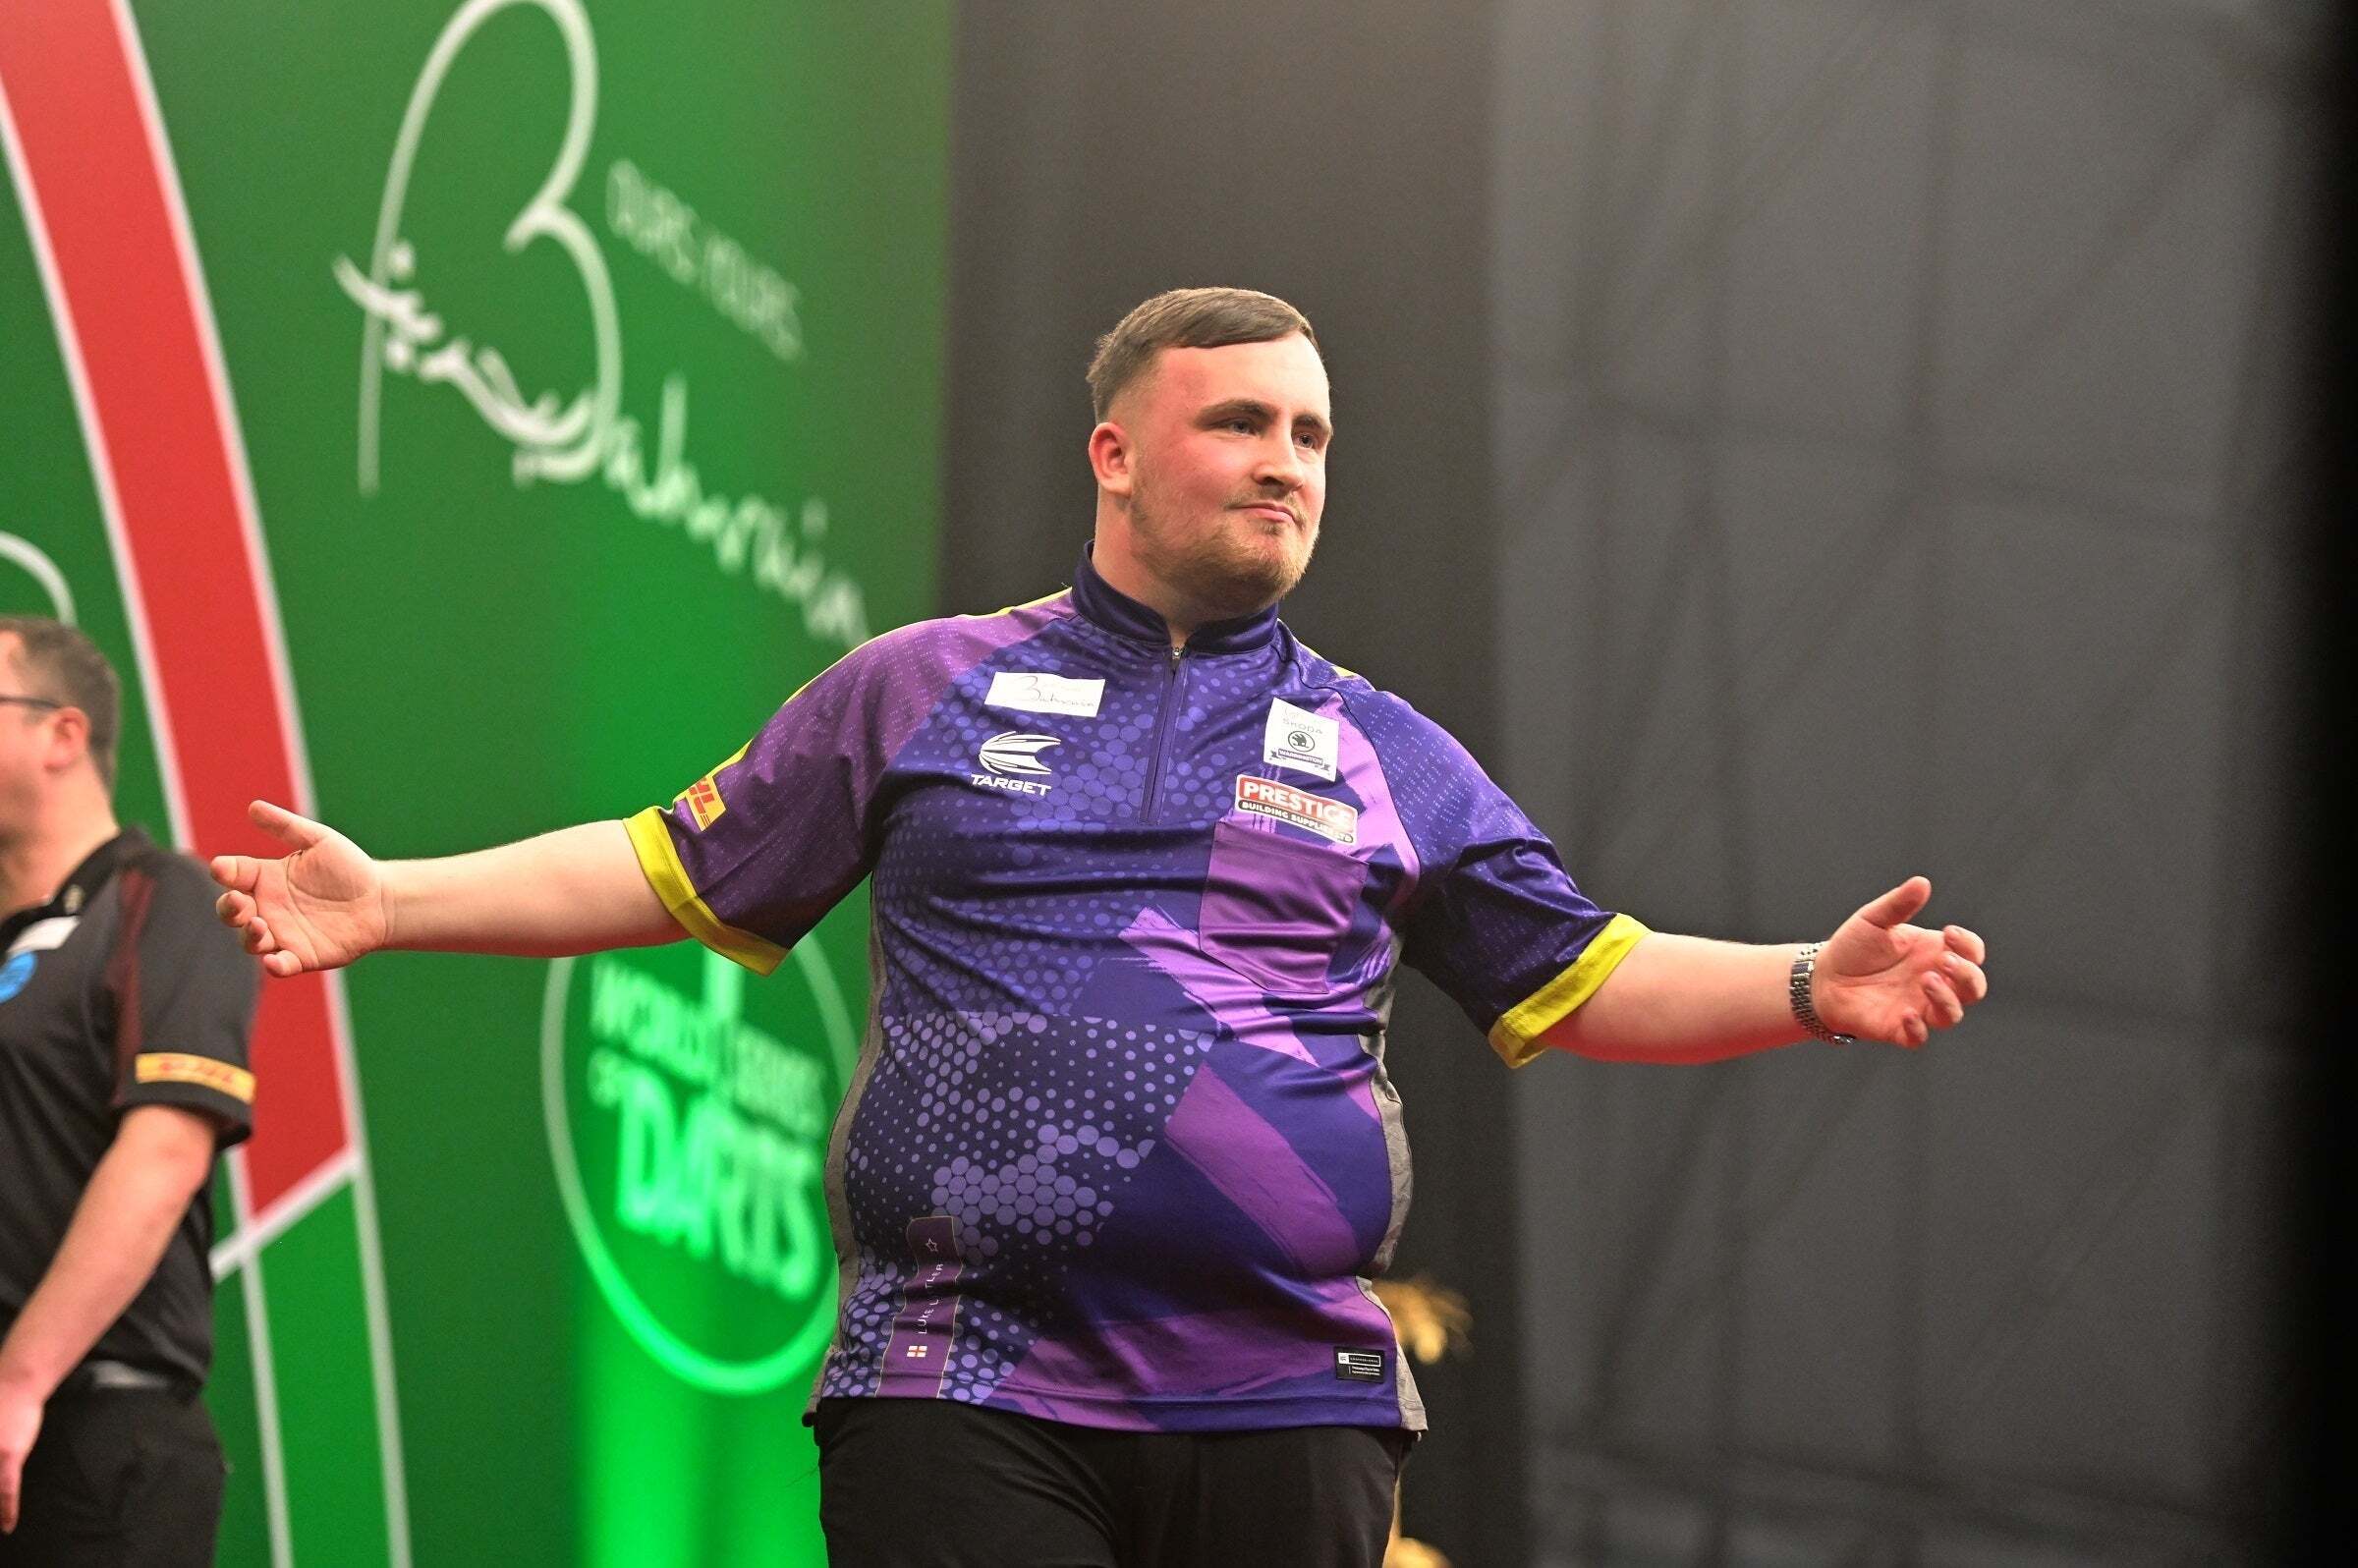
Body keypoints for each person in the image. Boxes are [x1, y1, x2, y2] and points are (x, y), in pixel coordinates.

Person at [209, 288, 1989, 1567]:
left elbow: (1585, 975)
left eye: (1311, 435)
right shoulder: (919, 686)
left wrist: (1802, 984)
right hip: (959, 1380)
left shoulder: (1385, 749)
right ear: (1115, 453)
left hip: (1287, 1396)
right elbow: (671, 867)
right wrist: (393, 900)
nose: (1286, 463)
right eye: (1241, 423)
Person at [0, 617, 258, 1566]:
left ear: (62, 735)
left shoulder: (164, 897)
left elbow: (164, 1152)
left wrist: (19, 1381)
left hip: (95, 1436)